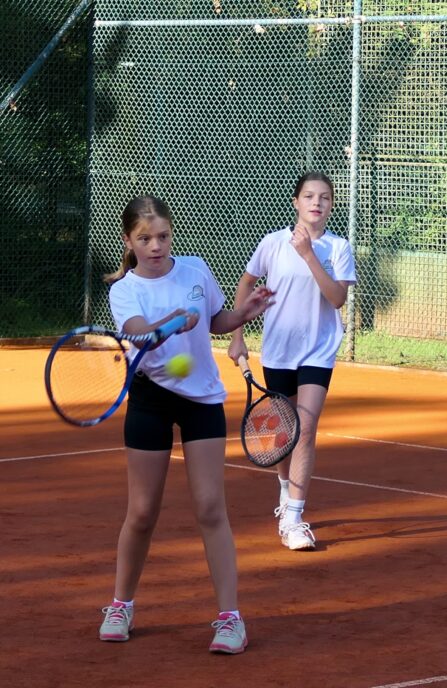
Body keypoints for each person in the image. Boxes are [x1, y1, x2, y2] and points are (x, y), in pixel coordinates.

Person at [99, 195, 275, 653]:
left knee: (210, 507)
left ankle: (230, 619)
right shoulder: (124, 290)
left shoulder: (196, 270)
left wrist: (245, 314)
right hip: (150, 399)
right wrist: (173, 321)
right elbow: (139, 330)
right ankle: (120, 605)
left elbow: (217, 320)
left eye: (162, 236)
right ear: (129, 241)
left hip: (202, 399)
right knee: (142, 511)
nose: (155, 246)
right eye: (145, 239)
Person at [228, 172, 357, 551]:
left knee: (307, 427)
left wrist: (308, 255)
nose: (317, 203)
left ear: (331, 205)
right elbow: (245, 283)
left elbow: (337, 298)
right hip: (279, 350)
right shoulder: (272, 243)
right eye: (309, 196)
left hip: (318, 350)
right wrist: (237, 335)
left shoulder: (338, 248)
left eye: (325, 197)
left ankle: (295, 518)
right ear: (296, 202)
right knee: (285, 433)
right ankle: (285, 490)